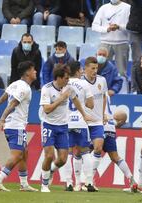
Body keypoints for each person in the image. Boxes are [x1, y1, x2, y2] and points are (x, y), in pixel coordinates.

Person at [0, 61, 38, 192]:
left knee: (24, 152)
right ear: (28, 72)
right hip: (16, 125)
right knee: (17, 154)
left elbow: (1, 100)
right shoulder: (24, 88)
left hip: (12, 125)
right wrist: (1, 120)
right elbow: (12, 104)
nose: (35, 72)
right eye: (33, 69)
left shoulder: (14, 84)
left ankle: (24, 184)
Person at [39, 64, 88, 193]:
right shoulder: (47, 89)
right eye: (66, 78)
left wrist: (84, 115)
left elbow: (75, 100)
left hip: (63, 126)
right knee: (49, 156)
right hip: (48, 125)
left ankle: (49, 172)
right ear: (58, 78)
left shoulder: (69, 88)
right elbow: (47, 110)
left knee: (63, 159)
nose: (68, 80)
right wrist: (61, 99)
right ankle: (44, 185)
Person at [59, 61, 95, 192]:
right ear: (78, 70)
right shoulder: (84, 84)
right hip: (80, 121)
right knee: (85, 152)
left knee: (67, 152)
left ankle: (69, 183)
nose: (82, 72)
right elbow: (91, 104)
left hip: (66, 122)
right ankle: (89, 182)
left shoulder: (64, 84)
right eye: (80, 70)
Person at [82, 57, 108, 191]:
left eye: (96, 68)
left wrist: (103, 114)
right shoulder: (80, 82)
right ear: (85, 68)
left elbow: (104, 96)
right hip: (84, 121)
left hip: (97, 121)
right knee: (82, 152)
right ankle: (77, 181)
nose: (94, 71)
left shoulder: (102, 80)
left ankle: (89, 181)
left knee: (98, 148)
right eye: (92, 68)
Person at [102, 94, 137, 192]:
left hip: (99, 125)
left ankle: (89, 182)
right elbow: (119, 119)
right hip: (110, 127)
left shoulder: (95, 90)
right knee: (115, 157)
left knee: (87, 152)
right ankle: (132, 180)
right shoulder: (106, 94)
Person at [91, 0, 130, 76]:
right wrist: (107, 29)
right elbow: (94, 26)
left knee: (122, 72)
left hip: (122, 43)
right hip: (105, 43)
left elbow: (131, 27)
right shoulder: (103, 8)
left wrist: (119, 27)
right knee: (99, 70)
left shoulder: (128, 8)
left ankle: (122, 87)